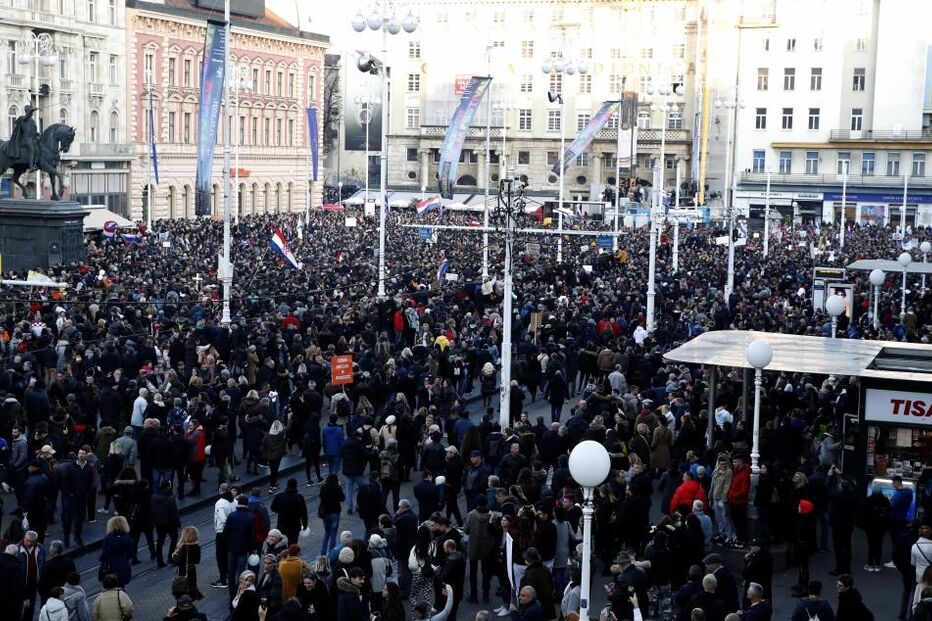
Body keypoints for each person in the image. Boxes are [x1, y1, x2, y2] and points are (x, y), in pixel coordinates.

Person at [225, 496, 259, 601]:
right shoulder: (251, 517)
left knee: (231, 573)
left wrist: (229, 543)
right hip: (243, 549)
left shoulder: (231, 516)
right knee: (241, 573)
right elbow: (252, 535)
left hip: (232, 549)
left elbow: (225, 532)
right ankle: (239, 595)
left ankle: (231, 595)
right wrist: (253, 548)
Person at [270, 479, 308, 547]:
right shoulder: (299, 498)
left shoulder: (279, 496)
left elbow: (273, 508)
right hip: (295, 525)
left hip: (282, 524)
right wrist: (305, 524)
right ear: (296, 486)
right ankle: (291, 556)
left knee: (281, 544)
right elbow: (304, 513)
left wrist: (281, 511)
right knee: (293, 544)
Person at [211, 483, 235, 589]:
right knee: (229, 554)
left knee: (220, 556)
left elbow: (222, 518)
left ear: (220, 491)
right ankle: (229, 575)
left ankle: (223, 580)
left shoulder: (220, 503)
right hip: (232, 533)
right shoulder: (235, 501)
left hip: (222, 533)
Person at [519, 548, 554, 621]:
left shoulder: (531, 573)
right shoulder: (544, 567)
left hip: (537, 608)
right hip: (546, 604)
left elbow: (529, 593)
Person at [151, 480, 180, 568]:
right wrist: (178, 523)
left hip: (159, 523)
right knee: (174, 539)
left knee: (160, 541)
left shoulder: (154, 497)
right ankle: (170, 558)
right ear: (168, 487)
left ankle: (160, 561)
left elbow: (152, 511)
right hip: (170, 523)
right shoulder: (170, 498)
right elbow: (174, 513)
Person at [98, 517, 133, 588]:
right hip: (123, 565)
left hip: (111, 567)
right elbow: (131, 553)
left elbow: (105, 554)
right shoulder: (127, 537)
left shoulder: (108, 538)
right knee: (121, 587)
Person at [38, 540, 76, 606]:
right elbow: (74, 578)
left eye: (50, 548)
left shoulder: (47, 566)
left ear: (53, 551)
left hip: (52, 597)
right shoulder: (70, 562)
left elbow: (42, 585)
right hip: (67, 595)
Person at [171, 526, 203, 601]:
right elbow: (197, 561)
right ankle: (192, 600)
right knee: (191, 587)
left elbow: (177, 562)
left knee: (183, 589)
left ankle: (185, 604)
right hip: (192, 571)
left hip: (183, 571)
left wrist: (174, 555)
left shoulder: (184, 548)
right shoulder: (197, 546)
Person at [317, 474, 344, 555]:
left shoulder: (323, 487)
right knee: (333, 533)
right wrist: (340, 487)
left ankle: (323, 552)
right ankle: (332, 552)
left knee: (327, 532)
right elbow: (342, 498)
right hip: (335, 512)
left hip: (325, 513)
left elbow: (321, 497)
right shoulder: (337, 488)